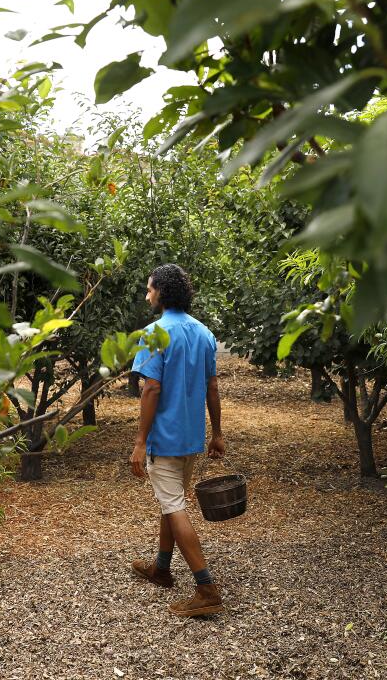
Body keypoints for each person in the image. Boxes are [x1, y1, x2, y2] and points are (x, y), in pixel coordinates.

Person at [128, 263, 226, 617]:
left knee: (173, 506)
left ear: (162, 292)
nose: (147, 294)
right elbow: (212, 388)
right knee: (170, 501)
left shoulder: (155, 333)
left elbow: (151, 388)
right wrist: (216, 433)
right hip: (191, 438)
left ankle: (205, 588)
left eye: (150, 288)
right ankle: (161, 567)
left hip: (164, 440)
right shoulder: (204, 333)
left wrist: (140, 441)